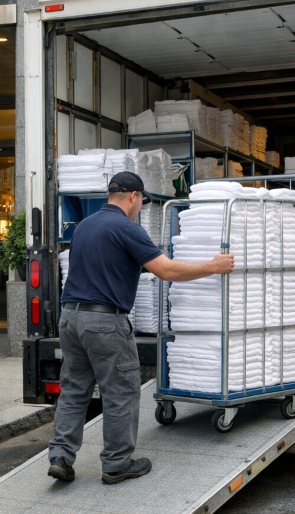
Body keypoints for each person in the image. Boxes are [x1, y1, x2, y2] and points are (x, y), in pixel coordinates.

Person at [47, 171, 235, 485]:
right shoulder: (126, 228)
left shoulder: (84, 227)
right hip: (104, 322)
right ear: (134, 196)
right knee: (120, 391)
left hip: (71, 318)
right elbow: (165, 269)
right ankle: (117, 463)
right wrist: (212, 267)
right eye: (141, 201)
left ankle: (60, 459)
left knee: (74, 392)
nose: (139, 206)